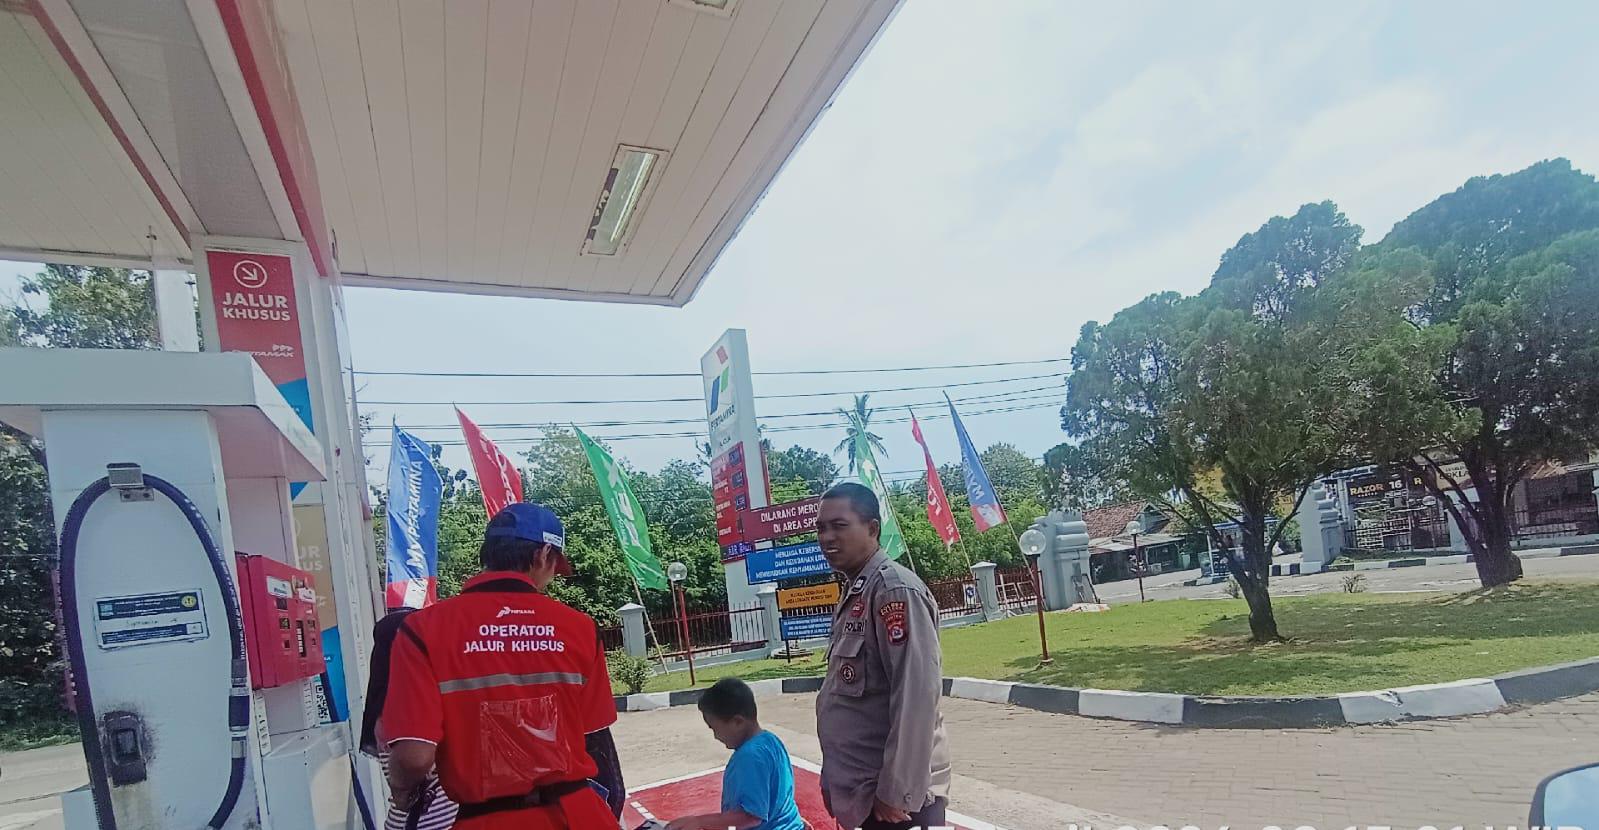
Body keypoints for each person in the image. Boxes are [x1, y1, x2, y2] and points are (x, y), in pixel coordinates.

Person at [382, 503, 626, 829]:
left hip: (486, 820)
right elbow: (594, 737)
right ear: (543, 555)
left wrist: (401, 791)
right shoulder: (580, 627)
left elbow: (414, 757)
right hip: (578, 815)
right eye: (556, 565)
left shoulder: (422, 631)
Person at [814, 483, 951, 830]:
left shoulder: (894, 590)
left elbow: (916, 696)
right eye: (821, 528)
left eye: (839, 526)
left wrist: (897, 791)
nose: (827, 538)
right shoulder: (857, 590)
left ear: (872, 529)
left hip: (895, 804)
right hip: (865, 794)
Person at [359, 608, 459, 830]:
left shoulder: (393, 704)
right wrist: (400, 790)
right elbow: (415, 760)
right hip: (429, 821)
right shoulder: (402, 707)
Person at [665, 678, 804, 830]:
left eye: (714, 728)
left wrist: (699, 822)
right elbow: (780, 795)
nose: (715, 736)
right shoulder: (771, 740)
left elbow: (751, 816)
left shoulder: (749, 757)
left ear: (738, 722)